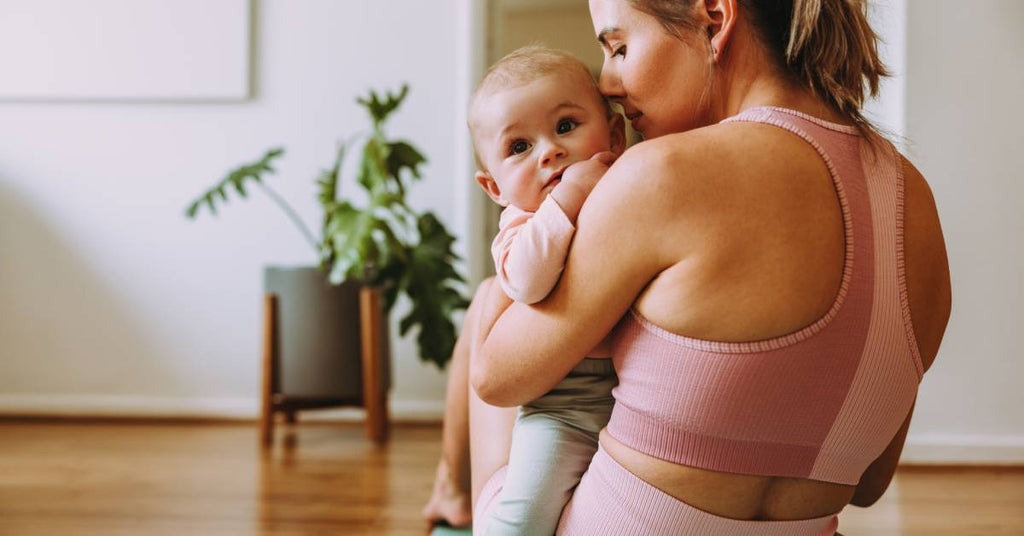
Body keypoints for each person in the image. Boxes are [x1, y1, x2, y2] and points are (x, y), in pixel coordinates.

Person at [431, 0, 952, 534]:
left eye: (619, 48)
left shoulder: (658, 174)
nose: (608, 83)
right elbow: (868, 482)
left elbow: (495, 378)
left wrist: (499, 296)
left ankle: (450, 492)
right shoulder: (916, 202)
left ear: (715, 18)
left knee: (493, 300)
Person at [466, 45, 626, 536]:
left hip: (630, 406)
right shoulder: (521, 224)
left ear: (615, 135)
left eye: (565, 127)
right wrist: (571, 197)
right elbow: (529, 281)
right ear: (494, 188)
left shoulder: (630, 189)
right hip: (563, 411)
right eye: (519, 147)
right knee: (524, 516)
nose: (549, 152)